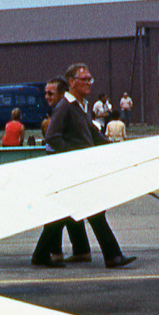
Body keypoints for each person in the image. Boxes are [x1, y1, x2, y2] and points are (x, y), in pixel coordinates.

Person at [44, 63, 136, 269]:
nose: (89, 83)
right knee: (95, 211)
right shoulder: (65, 106)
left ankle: (44, 254)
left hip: (82, 170)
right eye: (84, 79)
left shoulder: (81, 105)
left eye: (90, 79)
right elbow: (52, 137)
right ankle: (113, 256)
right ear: (71, 82)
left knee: (67, 214)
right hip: (73, 171)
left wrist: (114, 148)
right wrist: (75, 156)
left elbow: (93, 134)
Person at [31, 79, 91, 268]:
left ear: (62, 93)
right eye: (45, 93)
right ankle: (80, 250)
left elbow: (55, 138)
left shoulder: (64, 110)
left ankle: (49, 253)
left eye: (51, 93)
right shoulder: (63, 110)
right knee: (70, 210)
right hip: (60, 169)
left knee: (58, 212)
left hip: (63, 170)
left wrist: (69, 157)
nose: (46, 97)